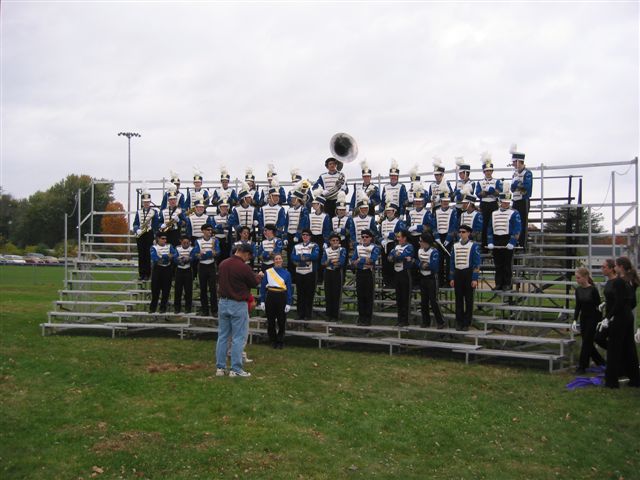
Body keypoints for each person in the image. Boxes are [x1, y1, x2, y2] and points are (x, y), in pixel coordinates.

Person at [215, 244, 264, 377]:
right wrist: (259, 276)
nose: (248, 259)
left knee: (223, 336)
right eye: (249, 256)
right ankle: (235, 369)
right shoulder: (243, 266)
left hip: (223, 302)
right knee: (238, 337)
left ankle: (220, 368)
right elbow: (253, 283)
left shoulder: (223, 264)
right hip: (238, 303)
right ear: (245, 253)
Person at [599, 256, 640, 388]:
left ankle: (611, 381)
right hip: (628, 317)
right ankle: (635, 379)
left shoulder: (619, 282)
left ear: (620, 267)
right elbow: (632, 302)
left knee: (614, 349)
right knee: (629, 348)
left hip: (619, 318)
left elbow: (619, 302)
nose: (615, 267)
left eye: (616, 265)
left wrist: (608, 317)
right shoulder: (630, 281)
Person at [487, 188, 521, 291]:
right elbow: (490, 228)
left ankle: (507, 284)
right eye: (504, 202)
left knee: (507, 264)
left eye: (507, 202)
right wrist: (490, 241)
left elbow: (517, 228)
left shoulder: (514, 213)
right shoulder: (493, 213)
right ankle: (498, 284)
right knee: (498, 264)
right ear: (500, 202)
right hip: (496, 239)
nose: (506, 204)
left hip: (508, 239)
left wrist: (512, 242)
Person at [572, 267, 605, 374]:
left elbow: (598, 307)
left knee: (586, 342)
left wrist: (599, 321)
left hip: (593, 318)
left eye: (578, 278)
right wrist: (574, 319)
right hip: (584, 318)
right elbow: (578, 306)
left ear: (585, 277)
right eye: (576, 278)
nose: (577, 280)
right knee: (588, 343)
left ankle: (582, 366)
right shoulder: (578, 290)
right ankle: (601, 362)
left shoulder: (593, 290)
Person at [449, 225, 481, 331]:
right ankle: (459, 322)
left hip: (468, 273)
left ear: (468, 233)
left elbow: (476, 263)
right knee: (458, 299)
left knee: (468, 299)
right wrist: (452, 277)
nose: (461, 234)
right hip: (458, 273)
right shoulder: (455, 246)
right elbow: (452, 262)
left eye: (463, 232)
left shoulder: (474, 246)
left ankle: (467, 323)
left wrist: (474, 278)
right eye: (460, 232)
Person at [258, 253, 293, 349]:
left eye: (279, 259)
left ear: (282, 260)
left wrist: (289, 303)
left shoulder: (287, 273)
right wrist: (262, 301)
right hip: (271, 296)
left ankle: (280, 340)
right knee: (271, 320)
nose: (278, 260)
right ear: (273, 261)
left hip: (282, 296)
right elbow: (263, 287)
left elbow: (289, 289)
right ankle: (273, 340)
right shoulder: (268, 272)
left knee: (282, 320)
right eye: (276, 259)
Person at [351, 229, 380, 326]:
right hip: (360, 272)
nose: (364, 238)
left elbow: (372, 260)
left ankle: (368, 318)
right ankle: (361, 317)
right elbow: (353, 261)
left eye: (366, 237)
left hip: (369, 273)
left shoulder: (375, 247)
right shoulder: (358, 247)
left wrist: (360, 260)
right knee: (360, 296)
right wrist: (364, 261)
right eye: (363, 237)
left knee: (368, 296)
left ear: (370, 238)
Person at [416, 232, 445, 329]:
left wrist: (424, 265)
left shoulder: (434, 251)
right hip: (422, 277)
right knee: (423, 301)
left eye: (421, 241)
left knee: (433, 301)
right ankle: (426, 322)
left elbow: (434, 266)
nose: (419, 243)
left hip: (432, 278)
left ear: (426, 242)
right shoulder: (419, 251)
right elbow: (417, 262)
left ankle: (441, 322)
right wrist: (422, 265)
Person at [191, 224, 220, 317]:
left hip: (211, 265)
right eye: (208, 230)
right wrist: (210, 253)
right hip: (202, 266)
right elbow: (195, 254)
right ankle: (205, 311)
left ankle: (214, 310)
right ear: (203, 231)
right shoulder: (198, 241)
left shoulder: (215, 240)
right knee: (203, 289)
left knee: (213, 289)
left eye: (211, 230)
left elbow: (218, 252)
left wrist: (203, 254)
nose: (210, 231)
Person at [291, 229, 320, 320]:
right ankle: (300, 314)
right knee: (300, 294)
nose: (305, 236)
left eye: (307, 235)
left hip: (310, 272)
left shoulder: (314, 245)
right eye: (303, 234)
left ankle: (308, 314)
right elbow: (293, 257)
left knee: (309, 294)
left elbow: (315, 256)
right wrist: (305, 257)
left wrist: (301, 257)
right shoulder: (296, 246)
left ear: (310, 236)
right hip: (299, 272)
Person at [388, 229, 414, 326]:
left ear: (404, 238)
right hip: (397, 273)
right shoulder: (396, 247)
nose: (397, 239)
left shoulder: (409, 246)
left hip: (405, 273)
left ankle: (405, 320)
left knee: (405, 297)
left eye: (399, 237)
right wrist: (397, 256)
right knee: (398, 298)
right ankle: (399, 320)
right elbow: (389, 257)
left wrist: (396, 256)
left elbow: (404, 256)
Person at [475, 153, 502, 248]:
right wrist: (487, 192)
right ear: (484, 172)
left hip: (493, 204)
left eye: (490, 170)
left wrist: (492, 192)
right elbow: (478, 194)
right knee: (485, 225)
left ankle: (494, 244)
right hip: (484, 204)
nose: (488, 172)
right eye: (486, 171)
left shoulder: (496, 181)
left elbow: (499, 192)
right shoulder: (480, 182)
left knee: (494, 224)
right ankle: (484, 245)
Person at [509, 145, 533, 249]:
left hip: (523, 200)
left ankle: (522, 244)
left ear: (519, 161)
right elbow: (512, 189)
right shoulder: (514, 174)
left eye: (514, 162)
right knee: (515, 222)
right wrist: (514, 186)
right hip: (515, 200)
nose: (513, 164)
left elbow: (526, 187)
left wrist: (518, 185)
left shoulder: (527, 173)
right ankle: (515, 241)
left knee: (523, 222)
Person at [149, 231, 177, 314]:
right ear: (158, 239)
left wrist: (162, 257)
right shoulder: (153, 247)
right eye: (162, 239)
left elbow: (175, 254)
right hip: (157, 270)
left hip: (167, 269)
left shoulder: (169, 246)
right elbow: (155, 259)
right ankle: (152, 308)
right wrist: (167, 256)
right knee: (155, 290)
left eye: (165, 239)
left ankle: (163, 308)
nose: (165, 240)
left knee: (166, 290)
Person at [133, 190, 158, 281]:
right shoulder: (138, 212)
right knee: (141, 255)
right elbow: (135, 223)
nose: (146, 203)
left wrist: (154, 234)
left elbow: (156, 225)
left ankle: (147, 274)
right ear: (142, 202)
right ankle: (141, 274)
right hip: (140, 234)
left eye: (147, 202)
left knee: (147, 255)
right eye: (145, 202)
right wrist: (137, 229)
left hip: (149, 234)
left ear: (150, 202)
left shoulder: (154, 212)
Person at [285, 185, 310, 277]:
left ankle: (298, 276)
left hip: (299, 237)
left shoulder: (303, 209)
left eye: (293, 198)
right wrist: (285, 236)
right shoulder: (289, 210)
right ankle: (291, 276)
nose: (291, 200)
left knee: (298, 257)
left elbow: (303, 223)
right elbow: (286, 224)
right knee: (290, 256)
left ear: (298, 199)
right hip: (290, 235)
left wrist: (298, 235)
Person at [433, 191, 457, 286]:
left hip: (448, 237)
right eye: (444, 201)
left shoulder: (453, 211)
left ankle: (448, 281)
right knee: (439, 260)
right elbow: (434, 225)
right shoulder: (436, 211)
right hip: (439, 237)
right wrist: (436, 237)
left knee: (448, 260)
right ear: (441, 201)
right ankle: (440, 281)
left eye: (447, 201)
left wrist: (448, 238)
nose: (445, 203)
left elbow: (453, 225)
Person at [379, 202, 406, 288]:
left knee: (392, 264)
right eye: (387, 211)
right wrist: (381, 240)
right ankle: (386, 283)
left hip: (394, 245)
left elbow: (401, 234)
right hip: (384, 245)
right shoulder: (383, 222)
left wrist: (391, 235)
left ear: (394, 211)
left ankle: (394, 283)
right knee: (385, 265)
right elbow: (379, 235)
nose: (388, 212)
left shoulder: (399, 222)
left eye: (390, 211)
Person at [322, 233, 347, 321]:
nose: (335, 242)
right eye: (333, 240)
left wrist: (329, 262)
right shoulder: (326, 250)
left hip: (337, 273)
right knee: (328, 293)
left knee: (336, 294)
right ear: (330, 242)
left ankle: (335, 315)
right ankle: (328, 314)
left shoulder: (342, 250)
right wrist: (334, 261)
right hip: (328, 272)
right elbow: (323, 262)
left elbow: (341, 262)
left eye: (337, 240)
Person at [174, 235, 194, 314]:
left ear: (189, 242)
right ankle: (177, 308)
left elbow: (193, 257)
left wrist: (187, 260)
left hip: (188, 270)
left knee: (188, 290)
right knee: (178, 290)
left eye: (187, 242)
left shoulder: (191, 248)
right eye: (184, 242)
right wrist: (180, 262)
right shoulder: (177, 248)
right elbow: (175, 258)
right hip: (179, 270)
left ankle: (188, 308)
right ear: (181, 242)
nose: (186, 244)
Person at [210, 196, 232, 264]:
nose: (225, 208)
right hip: (217, 239)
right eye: (223, 207)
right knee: (218, 257)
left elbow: (229, 226)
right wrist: (221, 226)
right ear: (219, 208)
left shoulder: (230, 216)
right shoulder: (214, 217)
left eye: (226, 207)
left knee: (226, 257)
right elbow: (213, 229)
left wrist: (218, 226)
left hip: (227, 240)